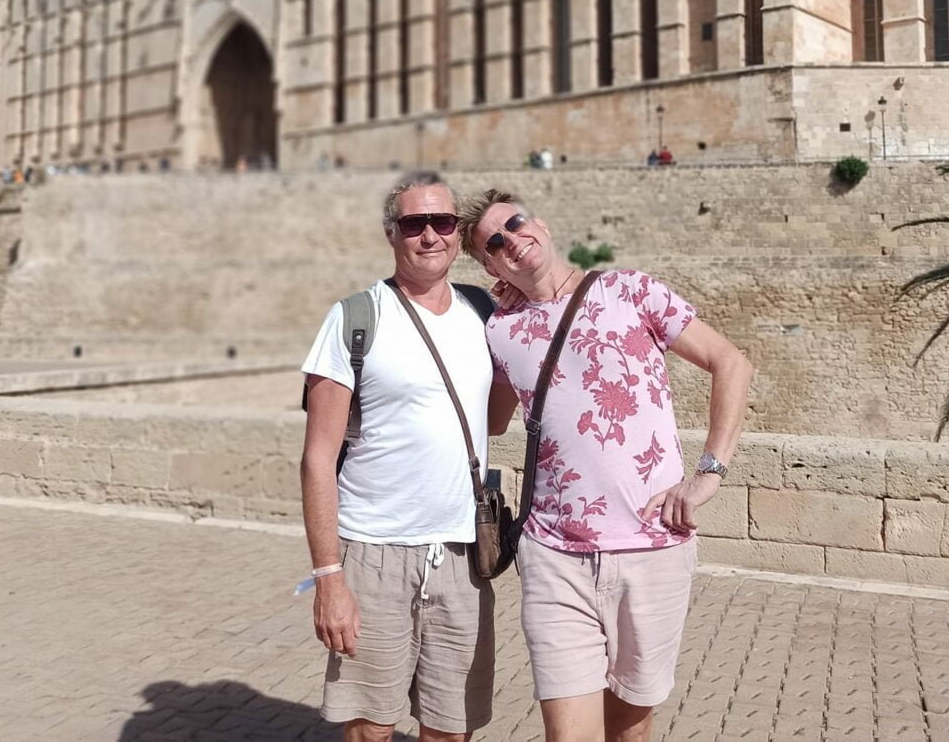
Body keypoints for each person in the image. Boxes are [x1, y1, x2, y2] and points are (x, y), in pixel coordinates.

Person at [458, 190, 753, 742]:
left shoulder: (630, 290)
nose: (511, 240)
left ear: (541, 224)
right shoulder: (499, 331)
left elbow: (730, 361)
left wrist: (709, 472)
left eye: (515, 224)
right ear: (491, 266)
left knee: (629, 731)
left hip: (651, 547)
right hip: (553, 556)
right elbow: (492, 421)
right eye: (494, 243)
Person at [300, 171, 502, 741]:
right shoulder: (354, 318)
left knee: (452, 728)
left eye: (443, 222)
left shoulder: (483, 313)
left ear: (458, 234)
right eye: (415, 224)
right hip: (374, 555)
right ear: (392, 233)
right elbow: (317, 459)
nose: (430, 235)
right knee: (371, 726)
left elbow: (494, 420)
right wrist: (329, 579)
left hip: (462, 555)